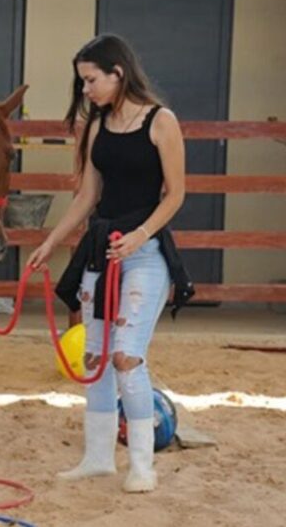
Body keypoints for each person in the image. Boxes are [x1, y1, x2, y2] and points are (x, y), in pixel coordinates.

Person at [28, 34, 192, 493]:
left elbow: (176, 194)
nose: (86, 90)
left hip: (145, 254)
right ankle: (98, 458)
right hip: (101, 251)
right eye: (82, 82)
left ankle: (142, 466)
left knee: (125, 357)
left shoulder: (162, 122)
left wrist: (141, 235)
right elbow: (88, 195)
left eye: (91, 80)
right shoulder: (98, 126)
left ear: (118, 72)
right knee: (96, 355)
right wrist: (52, 242)